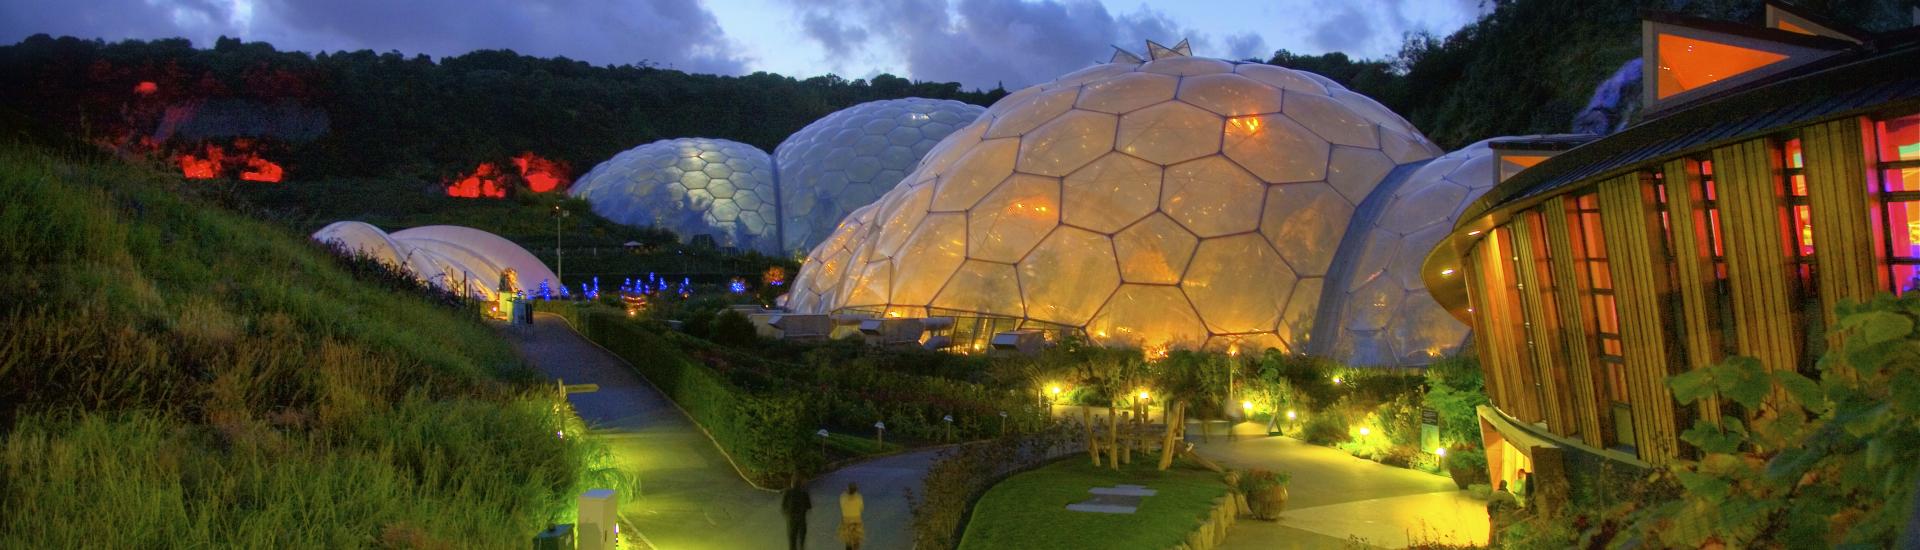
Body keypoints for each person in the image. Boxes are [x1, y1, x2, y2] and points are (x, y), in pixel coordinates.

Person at [781, 476, 812, 550]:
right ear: (800, 484)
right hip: (801, 520)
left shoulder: (787, 492)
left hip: (791, 521)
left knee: (792, 542)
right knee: (801, 541)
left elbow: (783, 506)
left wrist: (787, 514)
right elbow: (809, 506)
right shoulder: (804, 493)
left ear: (792, 483)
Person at [838, 482, 865, 550]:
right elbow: (861, 508)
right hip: (856, 520)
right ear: (856, 490)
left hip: (846, 521)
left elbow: (841, 506)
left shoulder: (842, 498)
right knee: (856, 539)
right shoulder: (859, 497)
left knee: (848, 539)